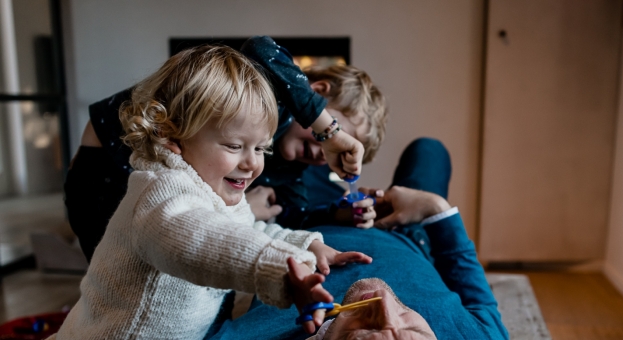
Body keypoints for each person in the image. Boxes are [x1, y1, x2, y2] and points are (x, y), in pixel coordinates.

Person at [16, 45, 371, 340]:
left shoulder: (219, 191)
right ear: (173, 135)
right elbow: (203, 243)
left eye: (261, 148)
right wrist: (282, 270)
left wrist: (305, 245)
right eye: (234, 145)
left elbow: (248, 229)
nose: (252, 164)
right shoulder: (159, 195)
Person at [187, 149, 515, 340]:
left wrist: (241, 219)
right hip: (407, 231)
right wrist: (436, 210)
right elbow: (475, 294)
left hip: (303, 218)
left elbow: (205, 285)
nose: (383, 299)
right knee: (429, 150)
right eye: (417, 330)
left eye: (361, 335)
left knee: (297, 151)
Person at [66, 35, 388, 263]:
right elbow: (260, 47)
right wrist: (329, 131)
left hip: (163, 176)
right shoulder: (269, 95)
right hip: (108, 155)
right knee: (112, 263)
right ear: (316, 94)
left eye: (260, 148)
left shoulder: (290, 172)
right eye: (341, 133)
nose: (324, 154)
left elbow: (292, 214)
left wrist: (337, 213)